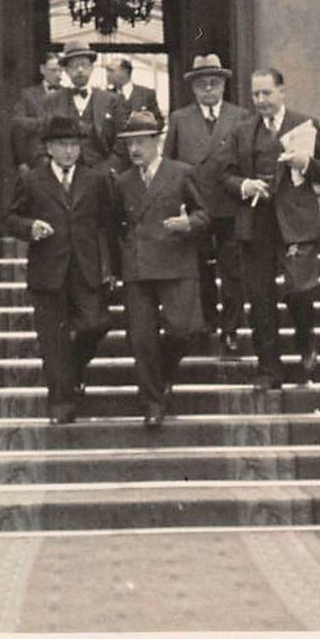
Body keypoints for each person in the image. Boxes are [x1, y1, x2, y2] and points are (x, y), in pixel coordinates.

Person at [220, 67, 320, 392]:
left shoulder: (304, 125)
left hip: (295, 223)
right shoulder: (242, 131)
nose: (261, 100)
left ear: (281, 92)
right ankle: (269, 370)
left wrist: (305, 164)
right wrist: (245, 185)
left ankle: (305, 338)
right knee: (260, 299)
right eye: (256, 94)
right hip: (256, 225)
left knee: (299, 289)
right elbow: (224, 176)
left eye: (267, 93)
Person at [5, 115, 113, 425]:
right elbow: (10, 218)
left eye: (74, 145)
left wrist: (109, 268)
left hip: (86, 269)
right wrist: (30, 227)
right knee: (52, 340)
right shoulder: (31, 180)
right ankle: (61, 402)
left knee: (96, 324)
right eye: (62, 145)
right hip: (47, 271)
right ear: (49, 148)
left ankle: (76, 370)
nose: (69, 152)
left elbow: (107, 225)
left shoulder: (95, 180)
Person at [111, 110, 210, 427]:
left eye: (141, 142)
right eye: (130, 145)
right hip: (138, 267)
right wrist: (118, 266)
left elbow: (205, 216)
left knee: (184, 329)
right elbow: (114, 225)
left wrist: (188, 223)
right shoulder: (123, 182)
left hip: (176, 262)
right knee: (141, 338)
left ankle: (163, 373)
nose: (135, 150)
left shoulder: (181, 173)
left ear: (157, 142)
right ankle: (152, 402)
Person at [164, 53, 248, 356]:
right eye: (202, 85)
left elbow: (246, 160)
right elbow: (169, 164)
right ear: (194, 88)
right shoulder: (179, 118)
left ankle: (231, 327)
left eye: (214, 83)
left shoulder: (240, 116)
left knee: (232, 270)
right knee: (198, 267)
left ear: (224, 85)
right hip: (197, 205)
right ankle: (207, 321)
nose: (208, 90)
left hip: (230, 204)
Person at [39, 38, 129, 173]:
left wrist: (109, 169)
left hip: (103, 175)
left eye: (84, 64)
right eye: (74, 66)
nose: (80, 70)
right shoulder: (52, 100)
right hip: (66, 176)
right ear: (66, 70)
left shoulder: (111, 100)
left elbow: (122, 140)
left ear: (92, 68)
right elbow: (43, 138)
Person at [8, 50, 65, 175]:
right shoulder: (28, 95)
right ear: (42, 69)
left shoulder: (67, 96)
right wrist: (21, 162)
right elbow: (17, 124)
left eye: (60, 70)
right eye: (53, 70)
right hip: (36, 160)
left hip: (63, 160)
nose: (58, 75)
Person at [107, 56, 163, 127]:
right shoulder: (105, 96)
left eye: (111, 71)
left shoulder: (147, 94)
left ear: (124, 71)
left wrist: (147, 121)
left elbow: (160, 123)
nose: (108, 74)